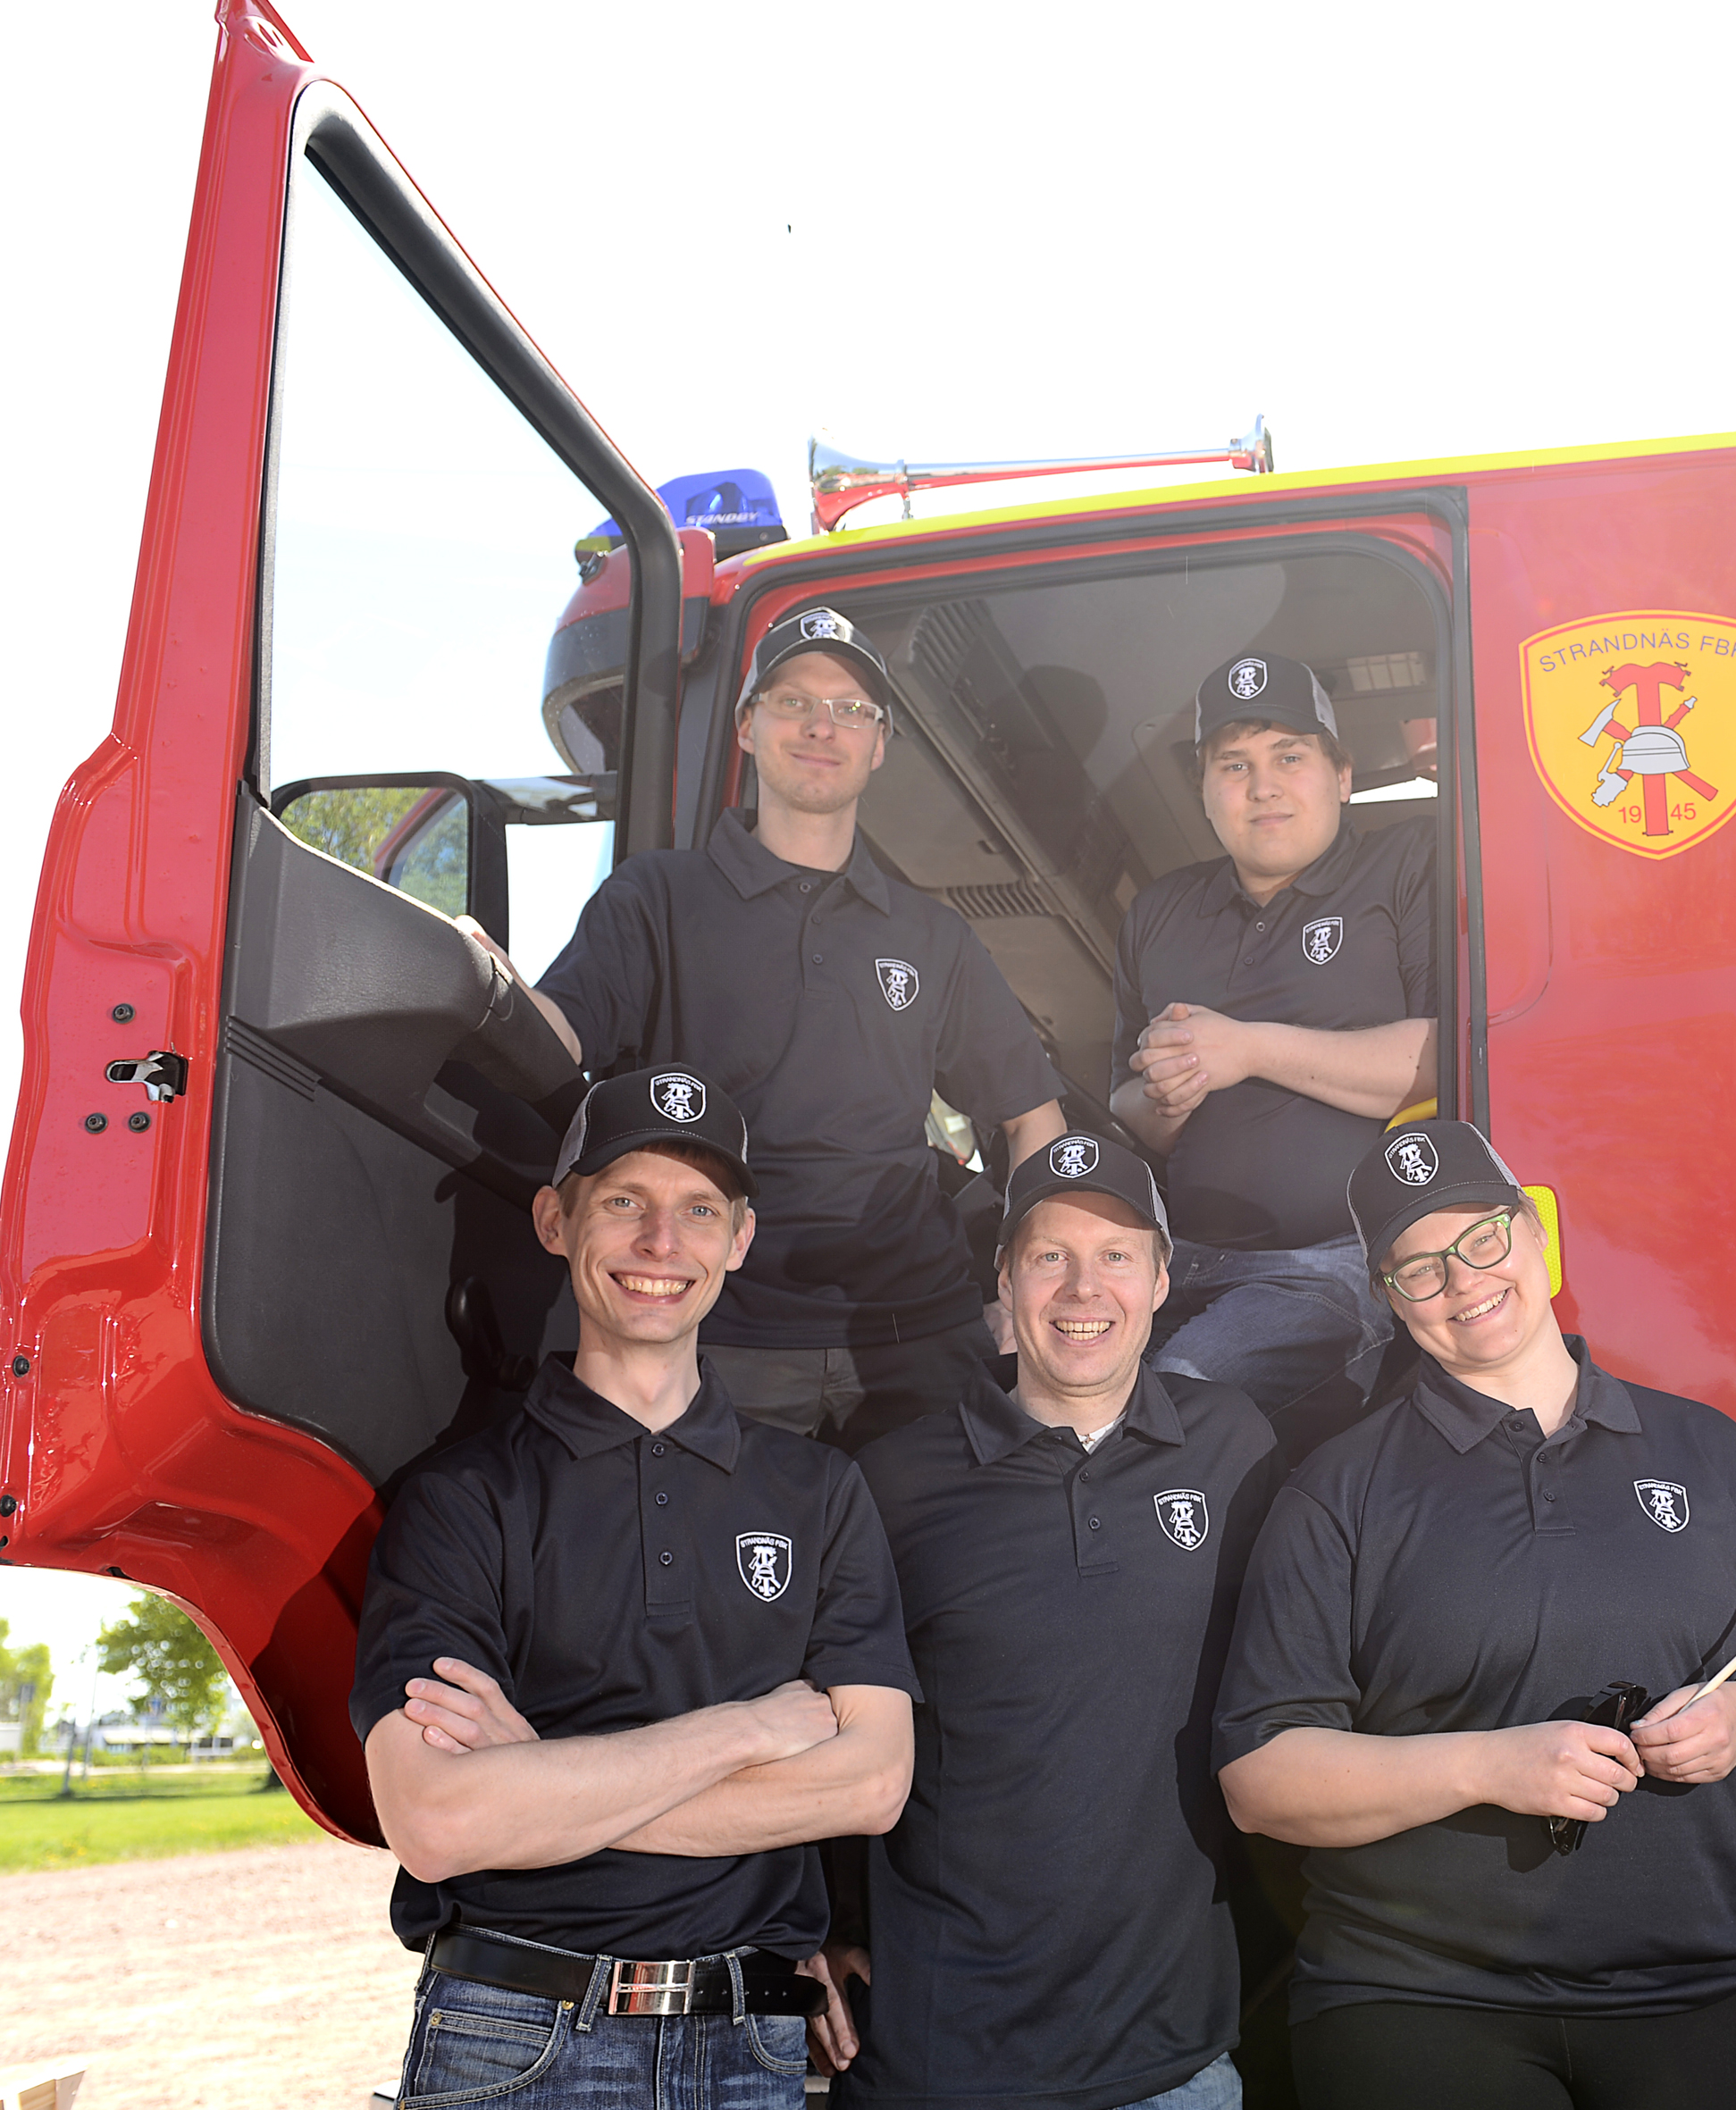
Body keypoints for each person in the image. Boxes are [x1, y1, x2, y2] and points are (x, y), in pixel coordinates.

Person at [1212, 1120, 1736, 2110]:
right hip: (1418, 1998)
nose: (1464, 1282)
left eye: (1482, 1238)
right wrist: (1488, 1767)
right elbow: (1262, 1780)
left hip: (1710, 1983)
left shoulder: (1709, 1451)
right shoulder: (1334, 1492)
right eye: (1419, 1268)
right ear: (1389, 1298)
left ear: (1535, 1233)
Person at [353, 1066, 918, 2108]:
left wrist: (540, 1780)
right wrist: (745, 1730)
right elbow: (435, 1820)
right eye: (624, 1200)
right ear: (554, 1219)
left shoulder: (820, 1491)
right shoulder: (460, 1496)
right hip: (513, 2036)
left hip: (748, 2045)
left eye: (699, 1209)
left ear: (739, 1239)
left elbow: (871, 1784)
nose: (662, 1241)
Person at [518, 604, 1069, 1448]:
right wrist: (489, 992)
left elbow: (1032, 1117)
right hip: (715, 1332)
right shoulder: (656, 899)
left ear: (878, 744)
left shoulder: (934, 936)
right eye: (793, 701)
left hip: (917, 1335)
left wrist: (1027, 1286)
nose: (821, 725)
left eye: (851, 709)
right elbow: (558, 1035)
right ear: (747, 727)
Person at [809, 1134, 1279, 2108]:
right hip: (937, 2058)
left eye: (1116, 1255)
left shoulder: (1236, 1447)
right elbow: (818, 1717)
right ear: (1005, 1279)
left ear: (1161, 1279)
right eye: (1049, 1256)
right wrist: (814, 1923)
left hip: (1171, 2063)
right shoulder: (893, 1480)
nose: (1083, 1288)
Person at [1111, 651, 1435, 1415]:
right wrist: (1169, 1091)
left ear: (1342, 776)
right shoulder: (1159, 911)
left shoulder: (1404, 862)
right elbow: (1127, 1107)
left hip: (1334, 1265)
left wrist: (1249, 1048)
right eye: (1234, 766)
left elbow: (1442, 1057)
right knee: (1052, 1395)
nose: (1263, 786)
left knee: (1171, 1401)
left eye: (1289, 757)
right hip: (1176, 1261)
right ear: (1203, 791)